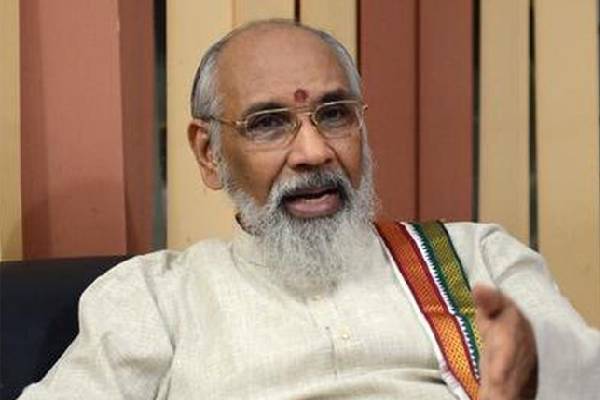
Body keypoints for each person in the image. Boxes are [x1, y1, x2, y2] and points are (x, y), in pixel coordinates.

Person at [18, 19, 599, 400]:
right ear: (209, 153)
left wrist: (547, 379)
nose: (314, 152)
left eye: (335, 114)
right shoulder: (155, 299)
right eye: (269, 123)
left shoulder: (475, 260)